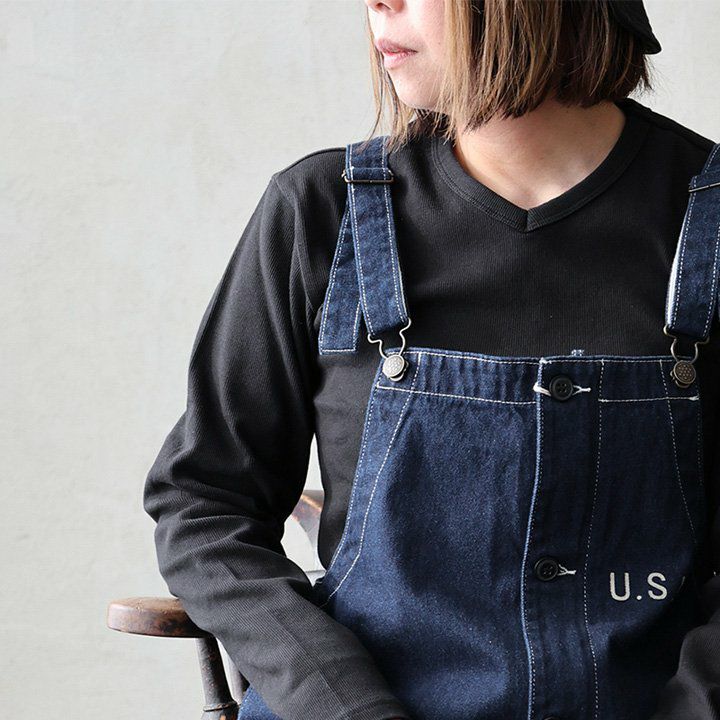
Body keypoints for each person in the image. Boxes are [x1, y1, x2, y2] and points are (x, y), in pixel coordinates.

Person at [142, 1, 720, 718]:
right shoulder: (321, 212)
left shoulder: (705, 218)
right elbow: (204, 503)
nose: (378, 4)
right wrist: (345, 704)